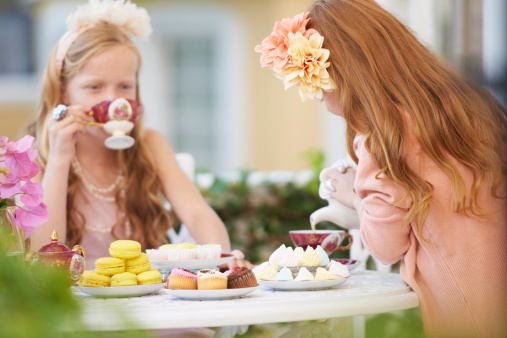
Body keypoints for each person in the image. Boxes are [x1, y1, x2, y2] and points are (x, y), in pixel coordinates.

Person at [255, 0, 507, 337]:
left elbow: (385, 246)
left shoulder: (385, 135)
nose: (311, 93)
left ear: (341, 70)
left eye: (310, 81)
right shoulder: (464, 107)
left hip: (463, 311)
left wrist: (352, 194)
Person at [28, 0, 253, 272]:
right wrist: (60, 157)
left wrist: (223, 257)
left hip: (144, 298)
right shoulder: (36, 156)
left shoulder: (149, 146)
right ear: (63, 92)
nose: (113, 100)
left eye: (125, 86)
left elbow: (197, 213)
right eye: (94, 87)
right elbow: (43, 254)